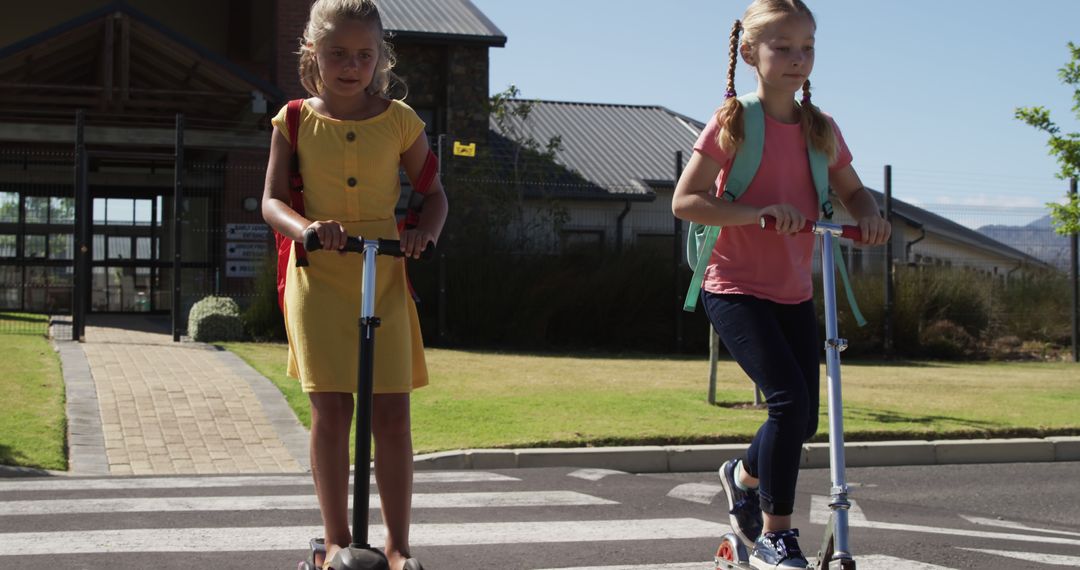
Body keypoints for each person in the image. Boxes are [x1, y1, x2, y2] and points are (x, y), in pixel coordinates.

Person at [672, 1, 890, 567]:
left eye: (808, 47)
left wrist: (868, 216)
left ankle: (741, 476)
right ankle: (776, 533)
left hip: (793, 291)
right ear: (750, 54)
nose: (799, 58)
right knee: (790, 404)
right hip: (734, 287)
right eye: (784, 47)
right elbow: (686, 201)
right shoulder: (732, 123)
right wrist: (757, 212)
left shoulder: (822, 130)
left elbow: (854, 192)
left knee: (802, 417)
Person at [261, 1, 448, 569]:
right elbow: (270, 201)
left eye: (364, 54)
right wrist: (308, 228)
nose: (351, 65)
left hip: (383, 272)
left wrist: (424, 234)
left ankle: (397, 547)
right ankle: (337, 540)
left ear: (380, 58)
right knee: (332, 412)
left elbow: (434, 194)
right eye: (338, 53)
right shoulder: (292, 119)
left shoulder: (399, 120)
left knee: (392, 413)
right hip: (317, 275)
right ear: (313, 53)